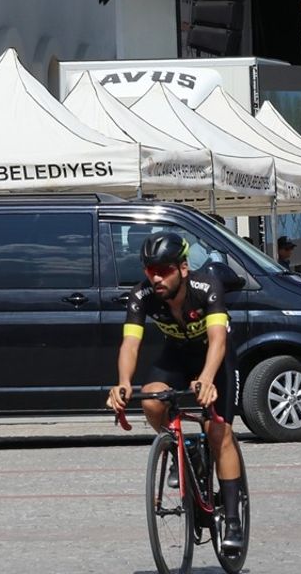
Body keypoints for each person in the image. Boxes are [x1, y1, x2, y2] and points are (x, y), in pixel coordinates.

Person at [107, 232, 245, 551]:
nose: (155, 277)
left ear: (183, 268)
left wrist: (208, 378)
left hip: (215, 358)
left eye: (163, 269)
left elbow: (218, 340)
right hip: (176, 356)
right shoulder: (141, 296)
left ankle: (233, 519)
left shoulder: (206, 287)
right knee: (153, 400)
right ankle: (181, 449)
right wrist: (123, 381)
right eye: (149, 269)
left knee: (218, 433)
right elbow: (130, 343)